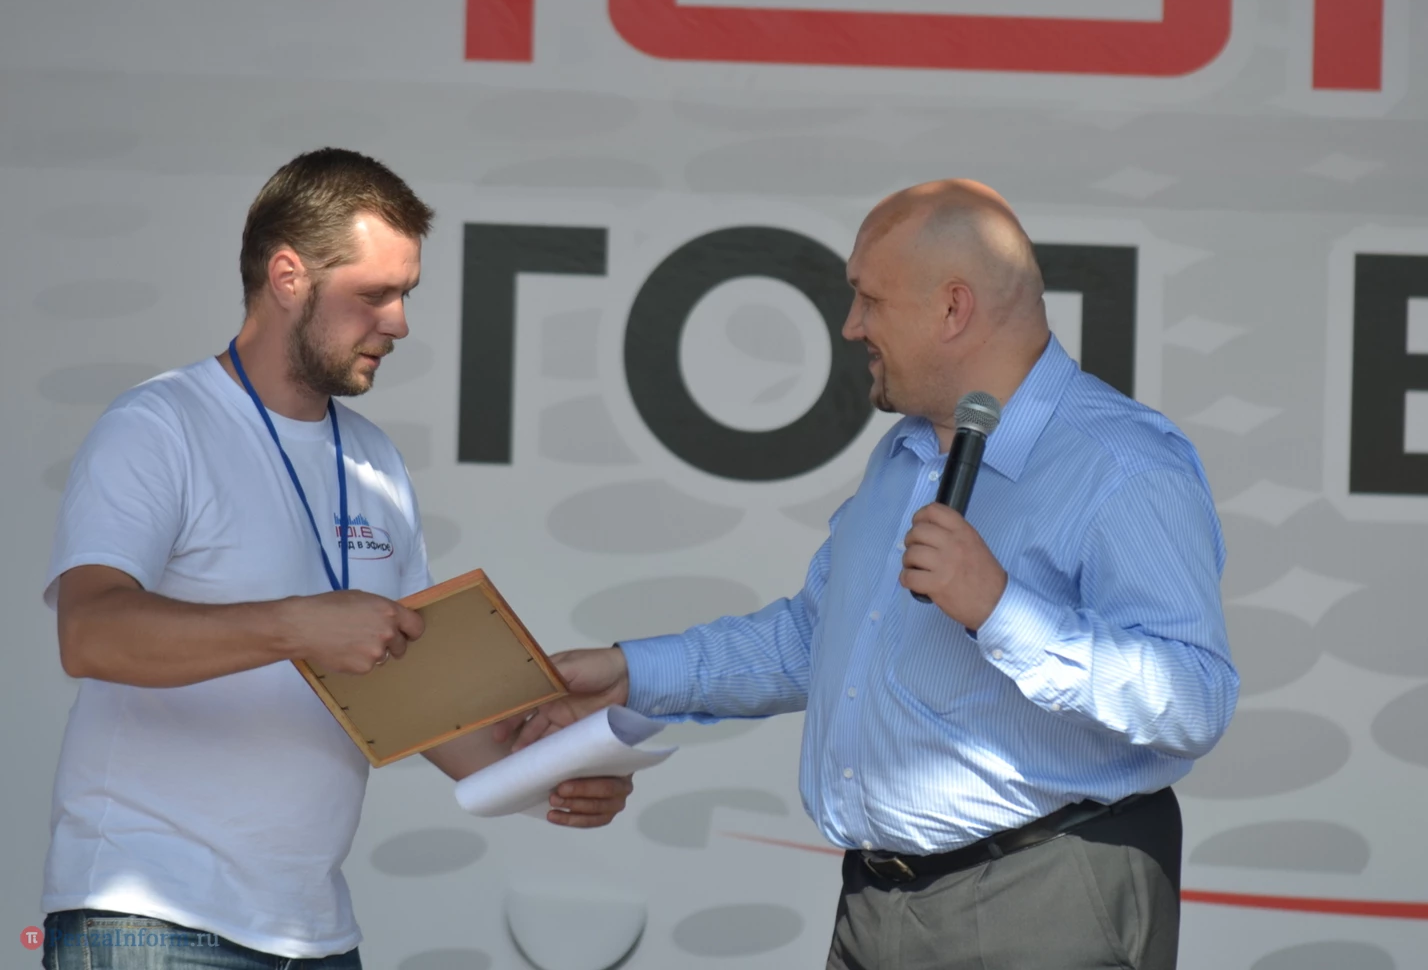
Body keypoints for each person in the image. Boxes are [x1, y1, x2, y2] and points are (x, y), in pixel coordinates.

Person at [518, 180, 1238, 970]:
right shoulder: (906, 453)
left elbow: (1195, 698)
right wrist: (630, 674)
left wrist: (1000, 610)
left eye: (869, 299)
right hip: (874, 906)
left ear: (953, 308)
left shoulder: (1125, 464)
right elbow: (813, 638)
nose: (851, 325)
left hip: (1048, 898)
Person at [40, 149, 633, 969]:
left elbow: (415, 695)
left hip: (315, 932)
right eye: (374, 294)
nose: (400, 322)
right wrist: (298, 627)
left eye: (406, 294)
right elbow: (90, 634)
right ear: (288, 277)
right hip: (151, 917)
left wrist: (556, 769)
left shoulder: (374, 459)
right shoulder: (159, 426)